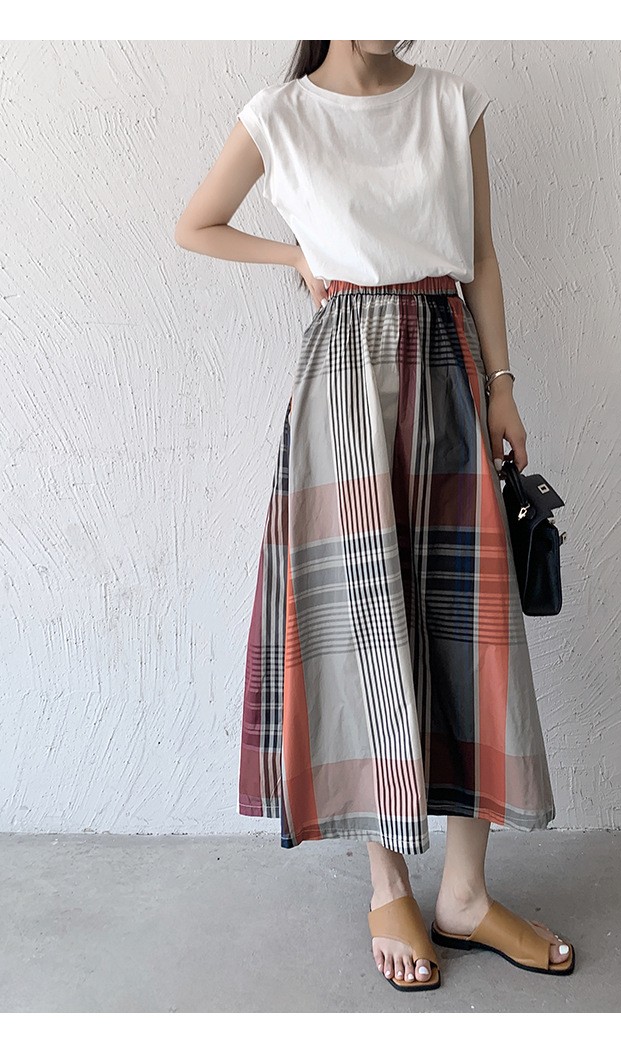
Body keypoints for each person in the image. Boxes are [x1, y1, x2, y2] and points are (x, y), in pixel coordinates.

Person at [175, 39, 575, 993]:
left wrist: (504, 385)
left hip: (448, 361)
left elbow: (481, 255)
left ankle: (465, 894)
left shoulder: (452, 102)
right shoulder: (280, 115)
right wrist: (294, 255)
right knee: (364, 628)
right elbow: (196, 224)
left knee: (467, 625)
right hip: (344, 378)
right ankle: (387, 882)